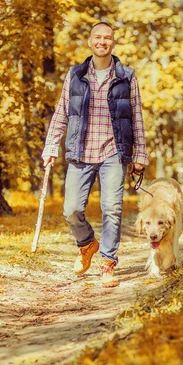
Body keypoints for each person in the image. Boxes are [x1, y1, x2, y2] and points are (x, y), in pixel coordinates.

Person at [42, 22, 148, 287]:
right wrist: (51, 147)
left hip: (113, 151)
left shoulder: (126, 76)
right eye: (97, 37)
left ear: (113, 43)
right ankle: (87, 244)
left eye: (108, 38)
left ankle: (107, 262)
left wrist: (141, 153)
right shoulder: (75, 75)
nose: (102, 41)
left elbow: (136, 116)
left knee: (111, 209)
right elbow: (61, 112)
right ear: (90, 42)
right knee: (72, 209)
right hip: (81, 151)